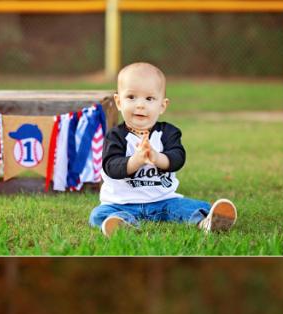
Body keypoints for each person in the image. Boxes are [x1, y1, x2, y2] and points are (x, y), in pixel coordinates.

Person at [89, 61, 237, 237]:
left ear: (162, 105)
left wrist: (157, 157)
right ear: (118, 101)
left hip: (163, 201)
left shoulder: (168, 133)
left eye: (149, 99)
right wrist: (136, 160)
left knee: (192, 206)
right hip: (121, 203)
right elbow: (111, 166)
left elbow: (178, 158)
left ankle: (205, 222)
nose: (140, 105)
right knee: (98, 215)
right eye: (131, 97)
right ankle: (124, 224)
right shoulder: (115, 136)